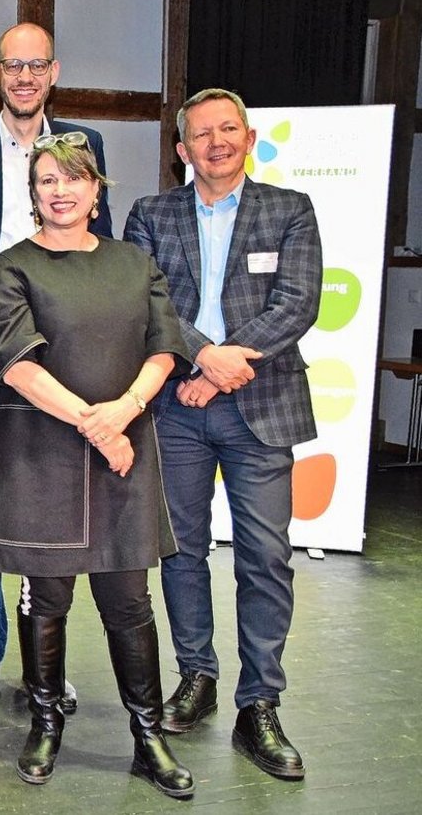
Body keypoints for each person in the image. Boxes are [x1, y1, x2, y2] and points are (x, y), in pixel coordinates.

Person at [0, 134, 194, 798]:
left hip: (123, 450)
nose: (59, 191)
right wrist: (97, 425)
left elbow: (164, 348)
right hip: (43, 456)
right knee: (49, 598)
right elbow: (19, 366)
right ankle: (44, 723)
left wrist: (120, 412)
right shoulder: (14, 267)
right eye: (46, 182)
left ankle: (148, 734)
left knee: (129, 601)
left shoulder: (135, 263)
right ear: (34, 195)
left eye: (72, 180)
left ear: (97, 190)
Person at [125, 88, 321, 781]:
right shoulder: (151, 214)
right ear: (182, 149)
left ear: (249, 137)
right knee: (180, 549)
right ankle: (197, 677)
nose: (215, 142)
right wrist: (204, 358)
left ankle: (259, 703)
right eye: (201, 134)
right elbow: (149, 302)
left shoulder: (289, 210)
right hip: (177, 403)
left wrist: (220, 366)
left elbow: (297, 303)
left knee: (265, 557)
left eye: (227, 129)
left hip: (260, 404)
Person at [0, 21, 110, 714]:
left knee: (50, 519)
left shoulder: (82, 148)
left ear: (54, 71)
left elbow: (104, 252)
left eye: (37, 65)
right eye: (14, 65)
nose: (25, 76)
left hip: (61, 362)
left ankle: (46, 659)